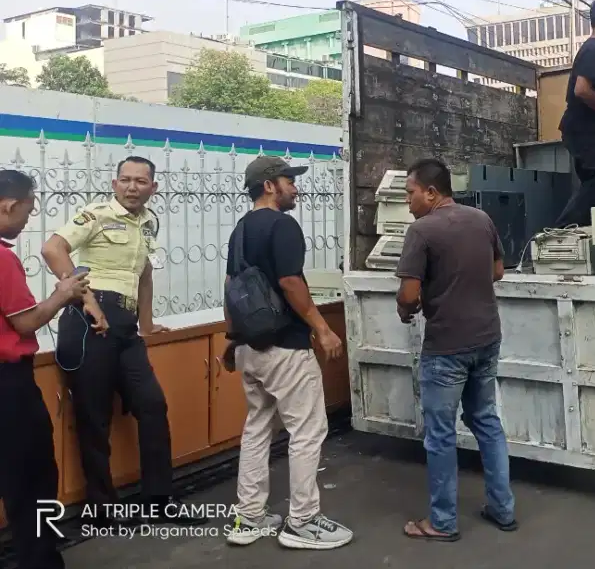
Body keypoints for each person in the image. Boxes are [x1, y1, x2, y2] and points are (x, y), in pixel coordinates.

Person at [41, 156, 202, 527]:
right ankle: (102, 510)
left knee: (153, 405)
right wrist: (87, 299)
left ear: (153, 188)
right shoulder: (96, 215)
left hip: (126, 328)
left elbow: (144, 274)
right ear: (114, 184)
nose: (132, 187)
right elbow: (53, 249)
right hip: (89, 322)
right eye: (125, 180)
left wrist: (147, 323)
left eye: (140, 181)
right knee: (94, 418)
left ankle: (158, 501)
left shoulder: (148, 223)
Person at [223, 156, 352, 551]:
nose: (295, 187)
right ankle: (303, 521)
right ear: (269, 186)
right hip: (285, 346)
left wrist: (233, 338)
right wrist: (322, 328)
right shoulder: (282, 225)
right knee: (307, 430)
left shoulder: (240, 229)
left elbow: (231, 285)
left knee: (258, 427)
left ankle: (249, 517)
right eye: (288, 180)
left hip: (250, 346)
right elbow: (290, 282)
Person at [395, 158, 517, 542]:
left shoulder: (421, 230)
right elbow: (498, 271)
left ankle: (443, 522)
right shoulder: (481, 219)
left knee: (441, 435)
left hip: (447, 346)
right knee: (486, 422)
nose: (408, 202)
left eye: (410, 193)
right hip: (487, 338)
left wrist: (406, 308)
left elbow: (408, 294)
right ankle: (502, 509)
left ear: (431, 192)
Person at [0, 170, 91, 569]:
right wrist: (63, 293)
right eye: (28, 210)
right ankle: (39, 561)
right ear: (10, 205)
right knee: (33, 477)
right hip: (9, 386)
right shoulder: (2, 259)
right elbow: (25, 322)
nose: (27, 219)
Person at [554, 0, 595, 228]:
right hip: (584, 131)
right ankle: (561, 231)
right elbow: (582, 90)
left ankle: (576, 233)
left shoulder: (594, 50)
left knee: (593, 185)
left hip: (585, 130)